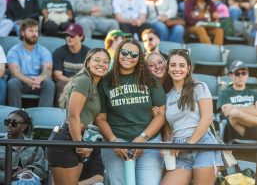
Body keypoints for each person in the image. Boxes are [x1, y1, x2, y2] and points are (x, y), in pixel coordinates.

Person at [96, 38, 166, 185]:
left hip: (149, 141)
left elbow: (161, 115)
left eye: (134, 54)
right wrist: (114, 141)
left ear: (139, 58)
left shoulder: (150, 79)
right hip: (117, 141)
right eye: (125, 52)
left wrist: (143, 138)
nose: (128, 57)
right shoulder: (105, 81)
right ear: (118, 53)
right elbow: (100, 118)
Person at [47, 48, 111, 185]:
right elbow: (73, 116)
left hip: (76, 139)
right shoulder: (84, 81)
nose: (102, 64)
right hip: (67, 140)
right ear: (88, 63)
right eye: (97, 60)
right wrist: (80, 146)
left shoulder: (94, 84)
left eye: (106, 61)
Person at [161, 49, 223, 185]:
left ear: (188, 68)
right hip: (179, 150)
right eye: (173, 65)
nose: (177, 69)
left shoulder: (199, 87)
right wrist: (167, 145)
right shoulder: (167, 96)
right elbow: (169, 129)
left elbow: (207, 119)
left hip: (202, 145)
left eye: (182, 65)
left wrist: (187, 144)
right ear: (168, 68)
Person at [7, 18, 55, 108]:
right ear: (22, 33)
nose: (34, 34)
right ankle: (15, 116)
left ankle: (43, 117)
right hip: (22, 83)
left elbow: (47, 71)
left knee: (49, 84)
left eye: (36, 31)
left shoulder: (43, 51)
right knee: (13, 82)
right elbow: (15, 72)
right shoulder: (14, 51)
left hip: (38, 83)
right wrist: (28, 81)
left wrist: (39, 79)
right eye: (31, 31)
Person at [0, 109, 46, 184]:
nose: (9, 125)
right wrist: (9, 176)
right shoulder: (0, 143)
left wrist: (27, 170)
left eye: (14, 123)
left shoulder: (35, 146)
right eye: (7, 122)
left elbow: (41, 171)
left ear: (24, 126)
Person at [53, 23, 90, 106]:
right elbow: (57, 76)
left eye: (72, 36)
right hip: (66, 82)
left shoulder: (88, 53)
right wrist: (73, 82)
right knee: (61, 84)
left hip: (83, 83)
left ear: (81, 37)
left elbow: (90, 75)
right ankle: (60, 113)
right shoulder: (59, 52)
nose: (68, 38)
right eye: (67, 35)